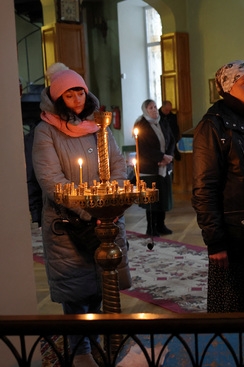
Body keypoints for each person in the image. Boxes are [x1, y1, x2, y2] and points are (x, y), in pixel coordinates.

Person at [32, 63, 131, 367]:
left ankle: (100, 339)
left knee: (102, 284)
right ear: (57, 98)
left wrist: (109, 203)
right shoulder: (46, 130)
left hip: (106, 218)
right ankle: (80, 349)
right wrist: (92, 210)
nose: (76, 98)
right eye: (69, 93)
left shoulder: (98, 127)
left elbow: (117, 164)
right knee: (77, 292)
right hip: (69, 224)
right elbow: (51, 181)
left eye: (80, 91)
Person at [192, 60, 244, 312]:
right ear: (228, 88)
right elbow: (204, 188)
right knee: (235, 306)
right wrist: (215, 241)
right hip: (235, 232)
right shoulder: (213, 126)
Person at [134, 99, 175, 236]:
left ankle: (161, 225)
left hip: (164, 166)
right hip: (150, 168)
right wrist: (160, 157)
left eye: (155, 107)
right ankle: (151, 228)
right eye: (150, 108)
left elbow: (171, 140)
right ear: (145, 110)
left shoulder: (163, 121)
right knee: (152, 200)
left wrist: (168, 156)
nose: (154, 109)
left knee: (163, 197)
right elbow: (143, 147)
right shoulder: (141, 125)